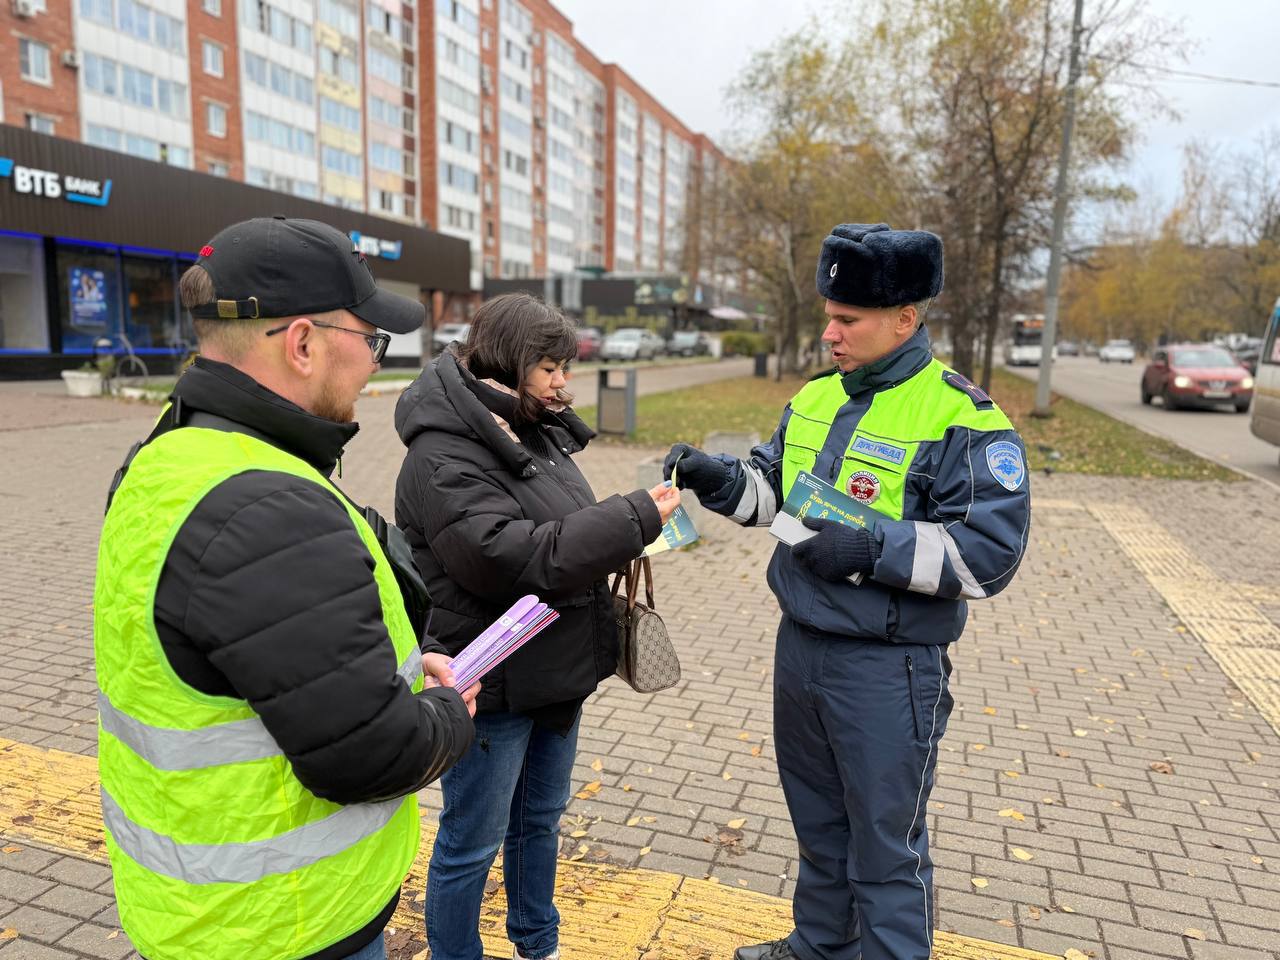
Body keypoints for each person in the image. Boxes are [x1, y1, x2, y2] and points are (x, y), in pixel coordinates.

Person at [93, 216, 478, 960]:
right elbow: (367, 756)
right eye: (369, 339)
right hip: (288, 924)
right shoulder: (267, 509)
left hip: (201, 909)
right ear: (303, 344)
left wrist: (396, 674)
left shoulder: (172, 452)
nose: (371, 365)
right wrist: (447, 712)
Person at [664, 223, 1031, 960]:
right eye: (829, 315)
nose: (830, 332)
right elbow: (778, 498)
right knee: (820, 825)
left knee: (886, 846)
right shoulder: (814, 398)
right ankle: (820, 946)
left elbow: (988, 558)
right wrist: (721, 480)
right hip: (801, 649)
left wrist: (873, 549)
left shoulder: (963, 418)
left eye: (848, 320)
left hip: (887, 667)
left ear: (905, 318)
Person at [393, 292, 680, 960]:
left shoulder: (531, 427)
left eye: (565, 367)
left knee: (540, 823)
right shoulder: (442, 452)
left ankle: (536, 941)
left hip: (556, 672)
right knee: (471, 843)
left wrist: (623, 529)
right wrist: (630, 519)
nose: (562, 382)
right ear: (506, 361)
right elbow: (504, 557)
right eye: (549, 367)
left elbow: (563, 529)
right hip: (489, 685)